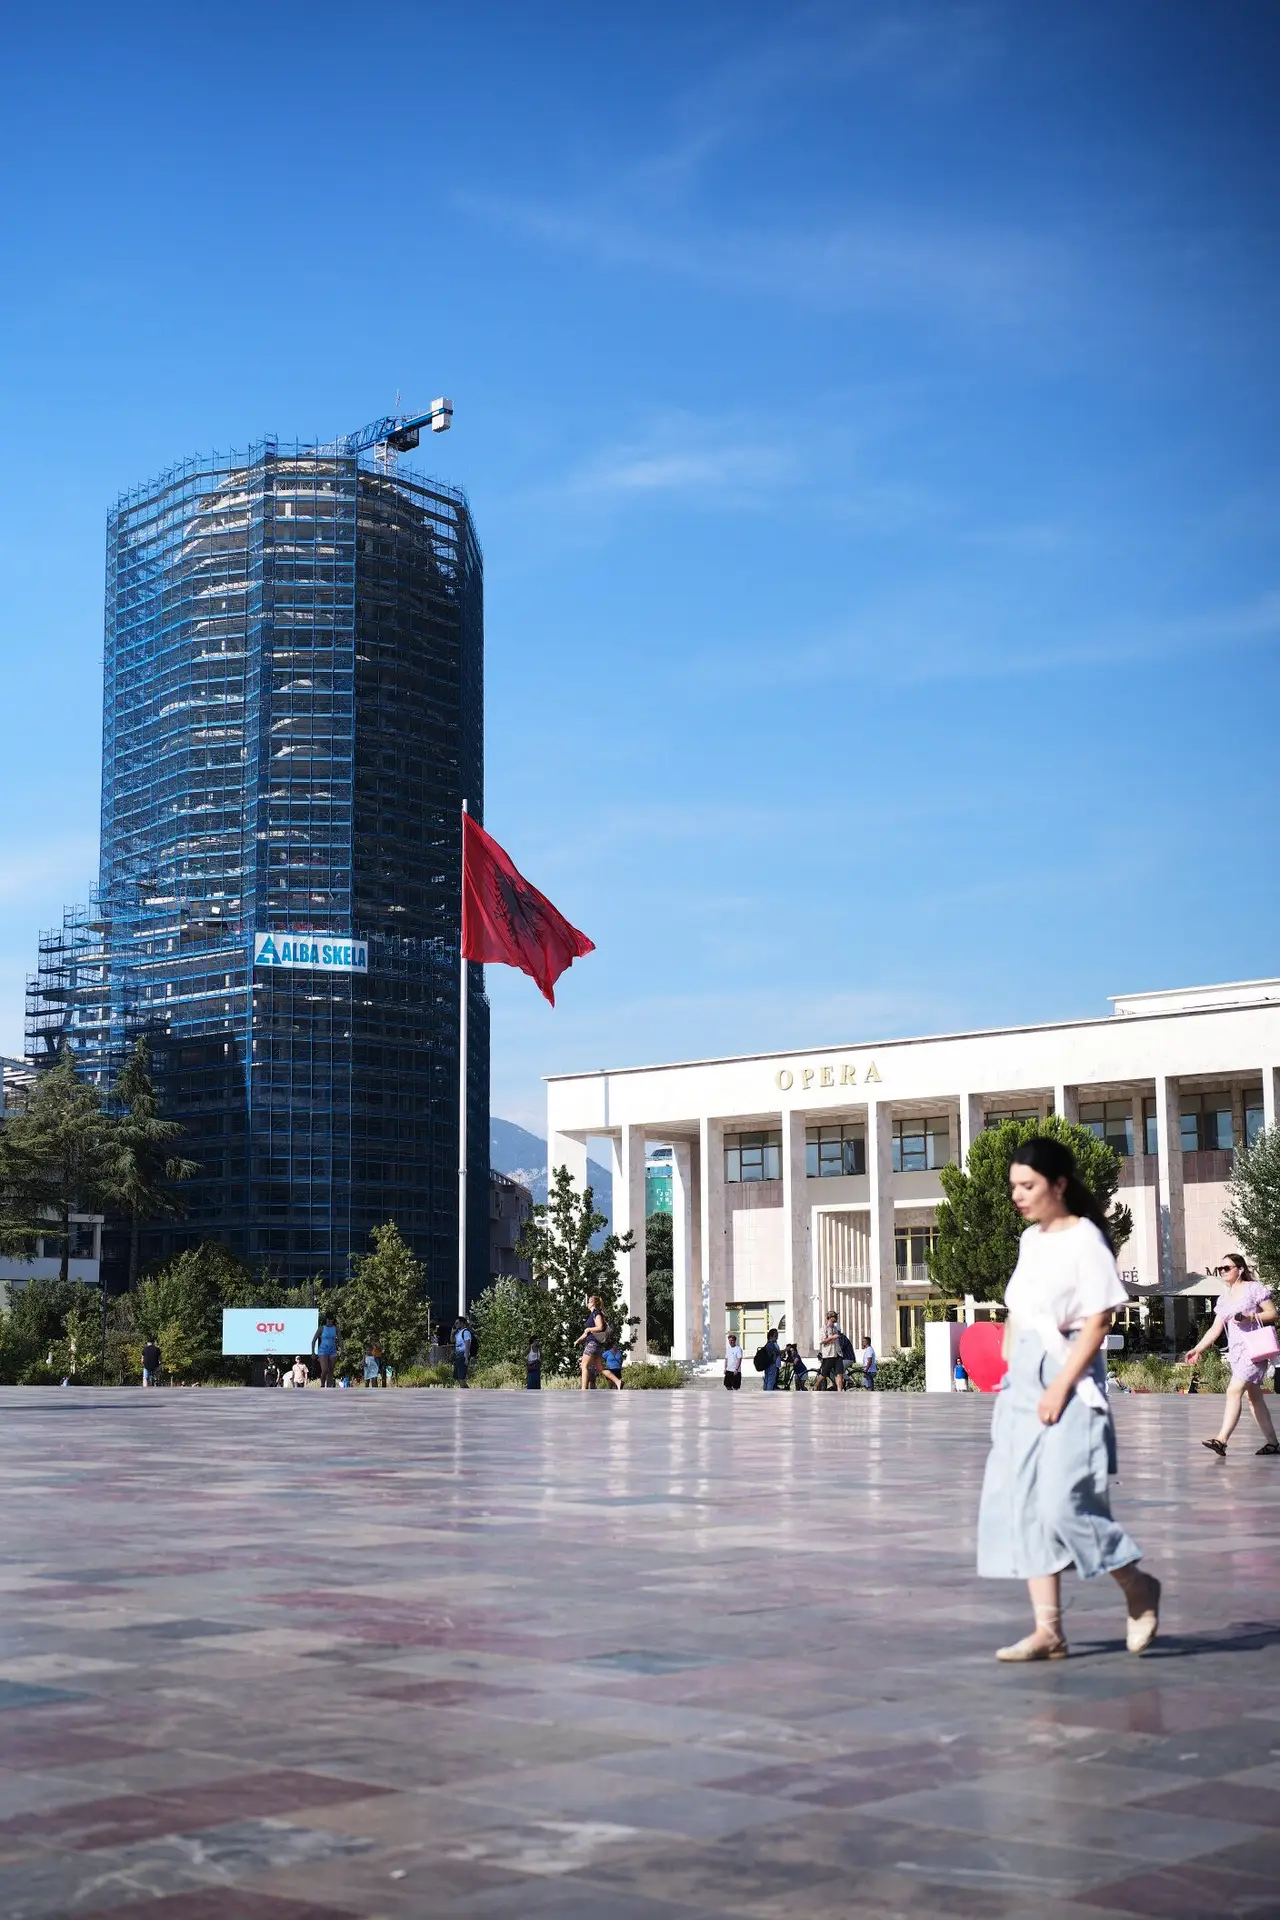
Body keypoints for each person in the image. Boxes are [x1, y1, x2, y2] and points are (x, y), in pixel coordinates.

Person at [977, 1137, 1160, 1662]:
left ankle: (1136, 1586)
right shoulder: (1030, 1241)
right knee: (1026, 1505)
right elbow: (1019, 1309)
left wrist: (1058, 1385)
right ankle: (1048, 1631)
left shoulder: (1086, 1241)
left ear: (1058, 1185)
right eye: (1014, 1186)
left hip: (1070, 1378)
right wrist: (1012, 1369)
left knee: (1064, 1504)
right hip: (1022, 1383)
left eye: (1028, 1185)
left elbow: (1099, 1320)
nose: (1018, 1195)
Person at [1182, 1254, 1279, 1457]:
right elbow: (1215, 1329)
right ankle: (1273, 1443)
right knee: (1254, 1399)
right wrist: (1198, 1349)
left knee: (1233, 1391)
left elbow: (1272, 1313)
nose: (1223, 1271)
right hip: (1236, 1353)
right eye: (1220, 1268)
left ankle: (1221, 1440)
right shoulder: (1224, 1298)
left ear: (1240, 1269)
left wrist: (1250, 1316)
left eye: (1227, 1267)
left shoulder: (1253, 1289)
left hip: (1254, 1351)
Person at [574, 1295, 621, 1390]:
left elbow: (600, 1327)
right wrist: (578, 1340)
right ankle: (618, 1381)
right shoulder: (593, 1314)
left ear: (592, 1303)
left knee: (584, 1365)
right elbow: (587, 1332)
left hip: (593, 1343)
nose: (587, 1304)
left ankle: (583, 1389)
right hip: (596, 1344)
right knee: (600, 1368)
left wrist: (589, 1329)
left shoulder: (596, 1313)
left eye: (588, 1302)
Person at [818, 1311, 846, 1391]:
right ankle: (816, 1386)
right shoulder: (824, 1328)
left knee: (839, 1373)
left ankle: (839, 1390)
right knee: (824, 1374)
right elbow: (822, 1341)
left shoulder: (835, 1328)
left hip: (837, 1353)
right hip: (829, 1354)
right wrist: (832, 1337)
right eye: (835, 1317)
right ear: (830, 1318)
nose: (836, 1318)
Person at [312, 1313, 339, 1388]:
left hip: (332, 1351)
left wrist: (343, 1351)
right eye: (328, 1320)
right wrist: (313, 1352)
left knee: (331, 1370)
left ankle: (329, 1386)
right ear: (326, 1320)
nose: (329, 1322)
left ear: (333, 1320)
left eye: (331, 1320)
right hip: (323, 1351)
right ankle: (322, 1385)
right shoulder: (321, 1328)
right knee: (324, 1369)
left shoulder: (335, 1328)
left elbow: (340, 1340)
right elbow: (314, 1340)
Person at [453, 1318, 474, 1387]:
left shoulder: (466, 1332)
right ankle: (467, 1391)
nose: (455, 1325)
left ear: (462, 1323)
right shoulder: (459, 1333)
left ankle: (464, 1394)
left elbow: (467, 1345)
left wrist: (466, 1358)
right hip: (458, 1356)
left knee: (461, 1377)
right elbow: (452, 1340)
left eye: (457, 1323)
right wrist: (452, 1332)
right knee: (457, 1377)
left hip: (463, 1356)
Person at [760, 1327, 782, 1392]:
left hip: (768, 1365)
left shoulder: (768, 1344)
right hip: (771, 1365)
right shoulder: (771, 1344)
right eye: (775, 1336)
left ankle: (766, 1394)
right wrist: (786, 1349)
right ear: (771, 1336)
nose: (777, 1338)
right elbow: (777, 1353)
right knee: (771, 1381)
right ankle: (769, 1395)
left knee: (767, 1380)